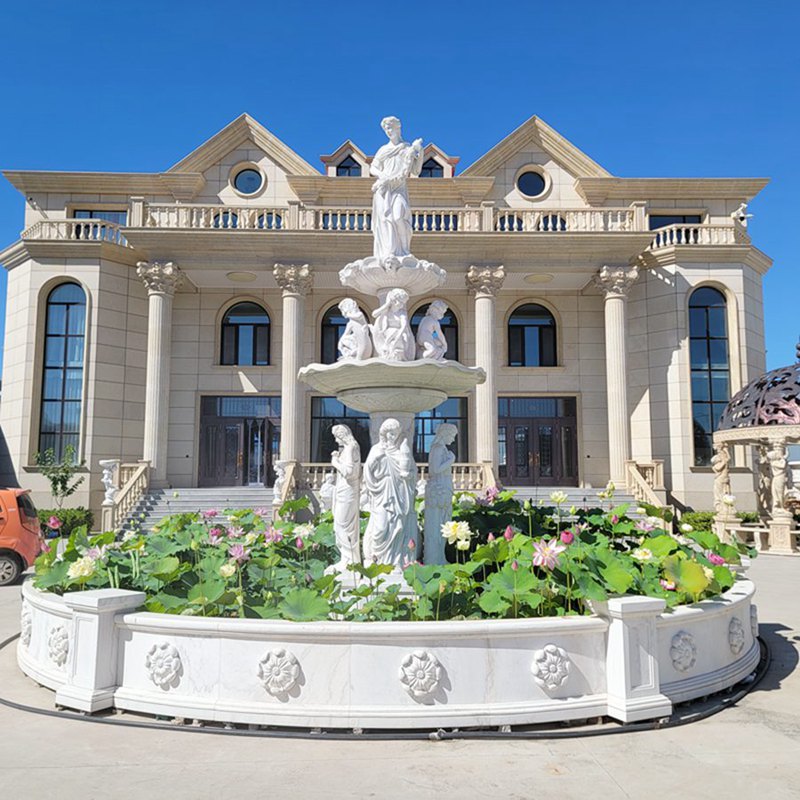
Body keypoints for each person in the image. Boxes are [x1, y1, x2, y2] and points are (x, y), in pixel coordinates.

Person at [362, 418, 417, 566]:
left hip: (398, 492)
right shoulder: (376, 450)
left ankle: (395, 561)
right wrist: (377, 459)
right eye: (390, 433)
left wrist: (409, 476)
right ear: (384, 433)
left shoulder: (401, 451)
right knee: (380, 527)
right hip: (381, 491)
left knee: (397, 525)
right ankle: (377, 560)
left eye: (395, 434)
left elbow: (412, 472)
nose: (393, 437)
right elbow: (367, 471)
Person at [370, 116, 424, 262]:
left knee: (399, 217)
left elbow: (415, 171)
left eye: (390, 127)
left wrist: (420, 153)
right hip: (384, 190)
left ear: (397, 127)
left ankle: (404, 251)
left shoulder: (407, 148)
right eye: (385, 129)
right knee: (385, 220)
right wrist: (383, 176)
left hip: (399, 188)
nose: (388, 131)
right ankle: (388, 251)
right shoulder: (383, 150)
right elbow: (373, 167)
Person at [328, 425, 362, 572]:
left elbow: (349, 472)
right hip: (346, 491)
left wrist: (335, 462)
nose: (336, 439)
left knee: (343, 525)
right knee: (345, 525)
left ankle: (350, 560)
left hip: (347, 492)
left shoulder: (349, 448)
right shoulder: (352, 447)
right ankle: (348, 558)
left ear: (342, 435)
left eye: (336, 436)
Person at [423, 424, 457, 565]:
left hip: (443, 488)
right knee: (437, 526)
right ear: (445, 434)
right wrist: (451, 460)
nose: (453, 440)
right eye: (452, 436)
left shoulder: (442, 449)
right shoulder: (437, 449)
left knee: (443, 524)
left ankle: (439, 557)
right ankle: (434, 559)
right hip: (439, 489)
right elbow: (435, 470)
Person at [371, 288, 415, 361]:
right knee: (393, 332)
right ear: (394, 301)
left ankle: (397, 355)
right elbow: (374, 314)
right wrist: (387, 304)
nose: (402, 305)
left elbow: (403, 326)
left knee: (401, 336)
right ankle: (389, 354)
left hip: (400, 333)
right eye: (401, 302)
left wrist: (398, 336)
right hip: (388, 333)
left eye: (403, 303)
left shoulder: (402, 313)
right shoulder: (387, 311)